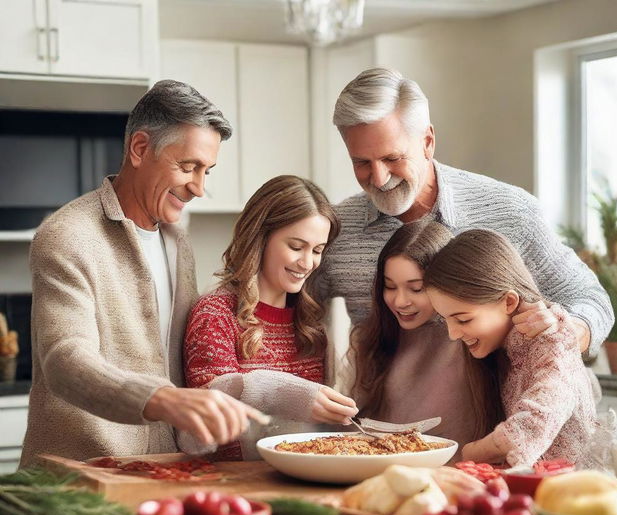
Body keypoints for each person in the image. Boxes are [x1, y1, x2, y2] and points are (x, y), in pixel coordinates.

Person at [21, 80, 266, 468]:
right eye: (188, 167)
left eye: (207, 171)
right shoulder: (68, 235)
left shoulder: (178, 241)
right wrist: (162, 399)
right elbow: (64, 359)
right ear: (139, 149)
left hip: (161, 473)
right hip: (78, 478)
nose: (199, 188)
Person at [315, 67, 613, 361]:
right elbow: (292, 314)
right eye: (362, 162)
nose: (378, 178)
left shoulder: (510, 211)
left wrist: (568, 330)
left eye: (393, 158)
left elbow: (591, 299)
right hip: (387, 406)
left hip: (514, 407)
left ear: (428, 142)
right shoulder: (336, 229)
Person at [180, 175, 358, 460]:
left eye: (317, 250)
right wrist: (274, 390)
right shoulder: (215, 315)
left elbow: (314, 439)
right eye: (296, 247)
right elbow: (197, 435)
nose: (307, 262)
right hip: (233, 488)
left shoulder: (310, 328)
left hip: (300, 486)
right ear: (260, 238)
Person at [424, 229, 614, 468]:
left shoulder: (550, 337)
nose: (453, 334)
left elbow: (539, 417)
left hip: (572, 493)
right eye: (445, 320)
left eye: (463, 320)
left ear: (509, 302)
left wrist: (470, 453)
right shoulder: (504, 349)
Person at [349, 220, 503, 459]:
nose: (400, 301)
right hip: (384, 476)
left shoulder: (475, 336)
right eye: (390, 286)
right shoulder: (371, 339)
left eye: (417, 288)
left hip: (463, 478)